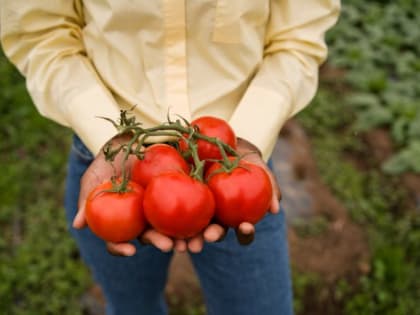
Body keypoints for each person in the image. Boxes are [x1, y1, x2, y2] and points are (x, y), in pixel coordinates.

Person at [0, 1, 340, 314]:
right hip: (115, 168)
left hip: (235, 164)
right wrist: (112, 140)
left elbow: (298, 34)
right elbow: (42, 33)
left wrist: (250, 135)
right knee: (132, 307)